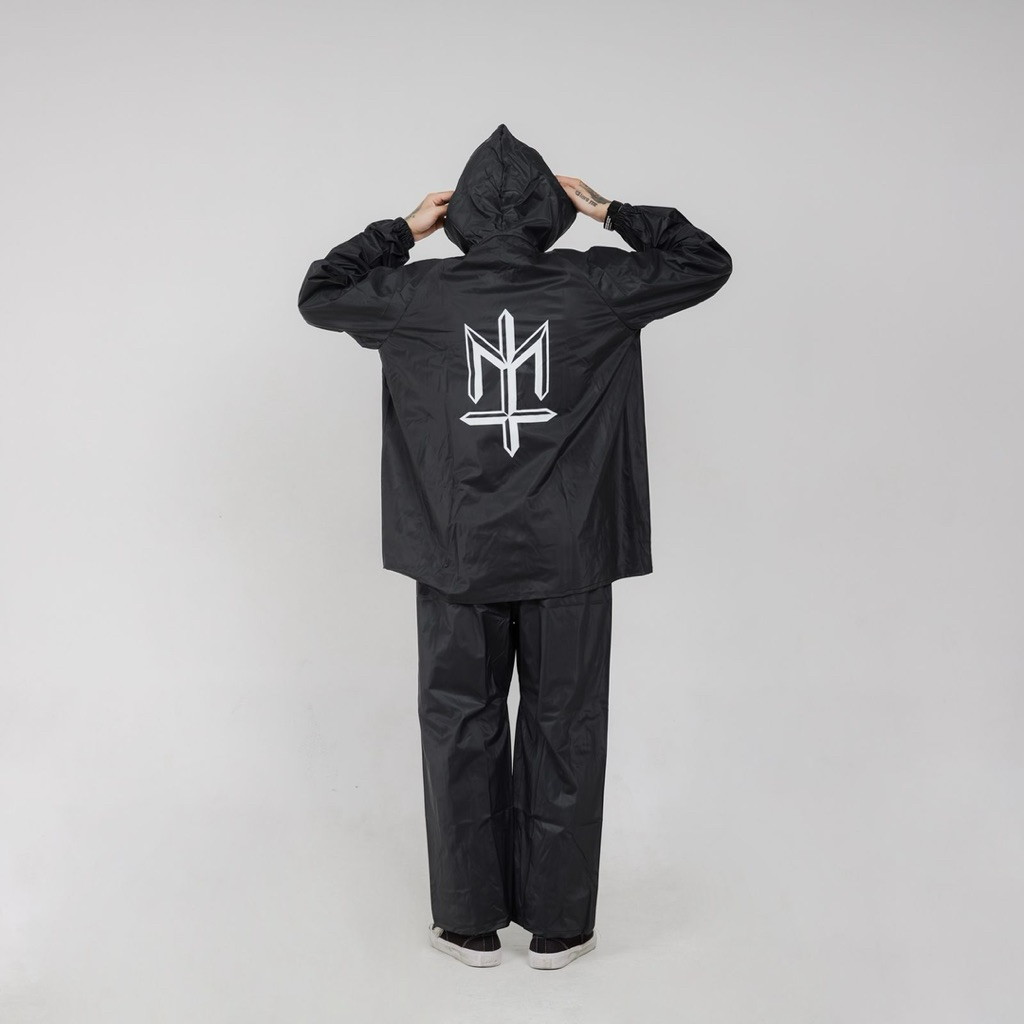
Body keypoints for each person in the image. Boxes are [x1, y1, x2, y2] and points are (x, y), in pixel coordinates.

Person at [297, 123, 732, 970]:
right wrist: (610, 211)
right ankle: (560, 927)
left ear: (459, 214)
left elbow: (321, 292)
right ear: (548, 211)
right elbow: (704, 261)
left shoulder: (417, 294)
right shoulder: (596, 285)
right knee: (566, 727)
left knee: (460, 728)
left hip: (456, 555)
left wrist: (402, 231)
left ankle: (468, 925)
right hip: (569, 555)